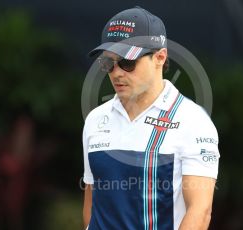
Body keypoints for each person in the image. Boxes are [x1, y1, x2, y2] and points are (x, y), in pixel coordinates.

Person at [82, 6, 220, 230]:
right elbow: (92, 202)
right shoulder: (96, 119)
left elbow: (200, 212)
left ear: (160, 57)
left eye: (127, 62)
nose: (117, 73)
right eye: (108, 63)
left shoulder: (193, 121)